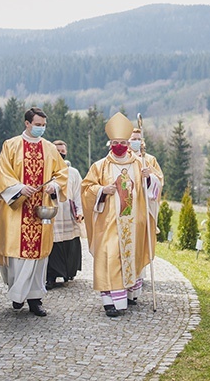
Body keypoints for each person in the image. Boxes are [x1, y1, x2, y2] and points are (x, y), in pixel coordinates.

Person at [81, 113, 162, 317]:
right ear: (110, 143)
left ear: (128, 143)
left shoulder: (139, 164)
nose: (119, 146)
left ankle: (123, 295)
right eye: (115, 142)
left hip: (133, 222)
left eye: (123, 142)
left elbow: (154, 188)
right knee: (110, 257)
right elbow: (86, 189)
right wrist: (101, 190)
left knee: (128, 256)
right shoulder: (100, 166)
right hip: (108, 222)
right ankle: (109, 300)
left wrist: (149, 178)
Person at [0, 107, 68, 316]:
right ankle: (17, 294)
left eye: (43, 125)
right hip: (17, 211)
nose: (41, 129)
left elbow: (61, 173)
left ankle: (35, 299)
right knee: (18, 257)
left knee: (38, 258)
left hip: (41, 211)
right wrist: (19, 188)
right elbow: (2, 174)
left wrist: (55, 187)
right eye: (37, 125)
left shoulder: (49, 148)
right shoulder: (11, 145)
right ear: (27, 123)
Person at [127, 127, 164, 304]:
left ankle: (134, 292)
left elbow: (159, 182)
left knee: (140, 249)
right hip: (126, 213)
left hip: (143, 214)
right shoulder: (121, 159)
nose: (136, 141)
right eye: (133, 138)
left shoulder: (149, 160)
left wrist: (149, 177)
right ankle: (122, 289)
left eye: (138, 139)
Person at [46, 140, 84, 289]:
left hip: (68, 213)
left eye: (63, 151)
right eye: (57, 150)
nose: (61, 153)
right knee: (53, 245)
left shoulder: (73, 172)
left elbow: (78, 193)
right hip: (52, 212)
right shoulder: (47, 171)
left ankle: (69, 272)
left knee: (70, 243)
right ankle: (51, 276)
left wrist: (80, 211)